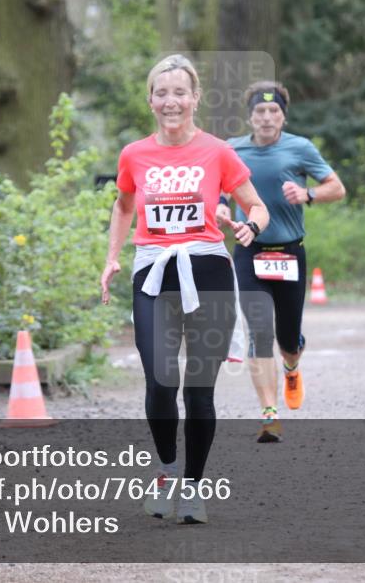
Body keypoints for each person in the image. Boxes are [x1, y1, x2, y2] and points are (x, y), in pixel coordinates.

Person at [100, 55, 269, 524]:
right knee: (159, 380)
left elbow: (256, 206)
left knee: (198, 390)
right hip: (154, 272)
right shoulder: (134, 154)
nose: (170, 101)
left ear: (195, 98)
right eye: (161, 92)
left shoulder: (217, 151)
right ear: (151, 100)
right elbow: (123, 206)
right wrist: (112, 256)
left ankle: (194, 487)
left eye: (179, 92)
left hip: (209, 272)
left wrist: (250, 227)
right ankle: (166, 471)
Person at [218, 81, 345, 443]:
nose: (267, 117)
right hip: (249, 250)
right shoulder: (233, 149)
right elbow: (218, 187)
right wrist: (222, 204)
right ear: (250, 117)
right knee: (259, 331)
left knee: (288, 337)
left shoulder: (300, 148)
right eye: (260, 111)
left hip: (289, 252)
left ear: (283, 116)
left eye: (274, 111)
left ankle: (291, 366)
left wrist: (308, 194)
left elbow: (337, 187)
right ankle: (269, 415)